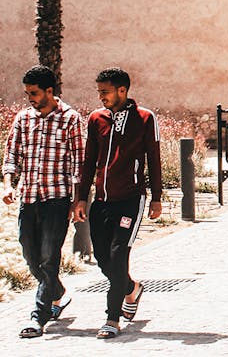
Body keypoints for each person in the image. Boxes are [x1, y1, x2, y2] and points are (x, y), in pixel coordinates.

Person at [72, 68, 162, 340]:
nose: (101, 97)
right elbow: (89, 161)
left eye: (105, 92)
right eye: (99, 92)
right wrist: (81, 197)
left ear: (122, 91)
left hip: (131, 200)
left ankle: (112, 319)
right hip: (102, 201)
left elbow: (154, 159)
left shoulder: (145, 118)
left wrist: (156, 197)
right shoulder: (96, 119)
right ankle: (131, 288)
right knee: (102, 257)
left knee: (119, 253)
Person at [2, 66, 84, 339]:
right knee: (30, 254)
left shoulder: (70, 119)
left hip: (56, 200)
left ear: (50, 91)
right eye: (27, 93)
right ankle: (58, 293)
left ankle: (39, 316)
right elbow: (11, 156)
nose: (30, 99)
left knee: (49, 258)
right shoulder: (23, 119)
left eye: (34, 93)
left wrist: (76, 201)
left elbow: (78, 164)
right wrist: (8, 185)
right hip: (28, 197)